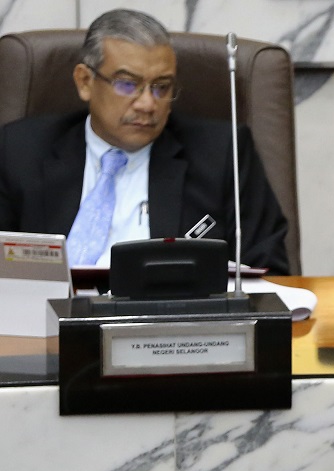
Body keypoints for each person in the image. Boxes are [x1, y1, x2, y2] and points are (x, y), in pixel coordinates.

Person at [0, 8, 289, 274]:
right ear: (84, 81)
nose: (148, 104)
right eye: (127, 84)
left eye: (161, 87)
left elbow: (270, 270)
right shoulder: (19, 151)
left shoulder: (224, 153)